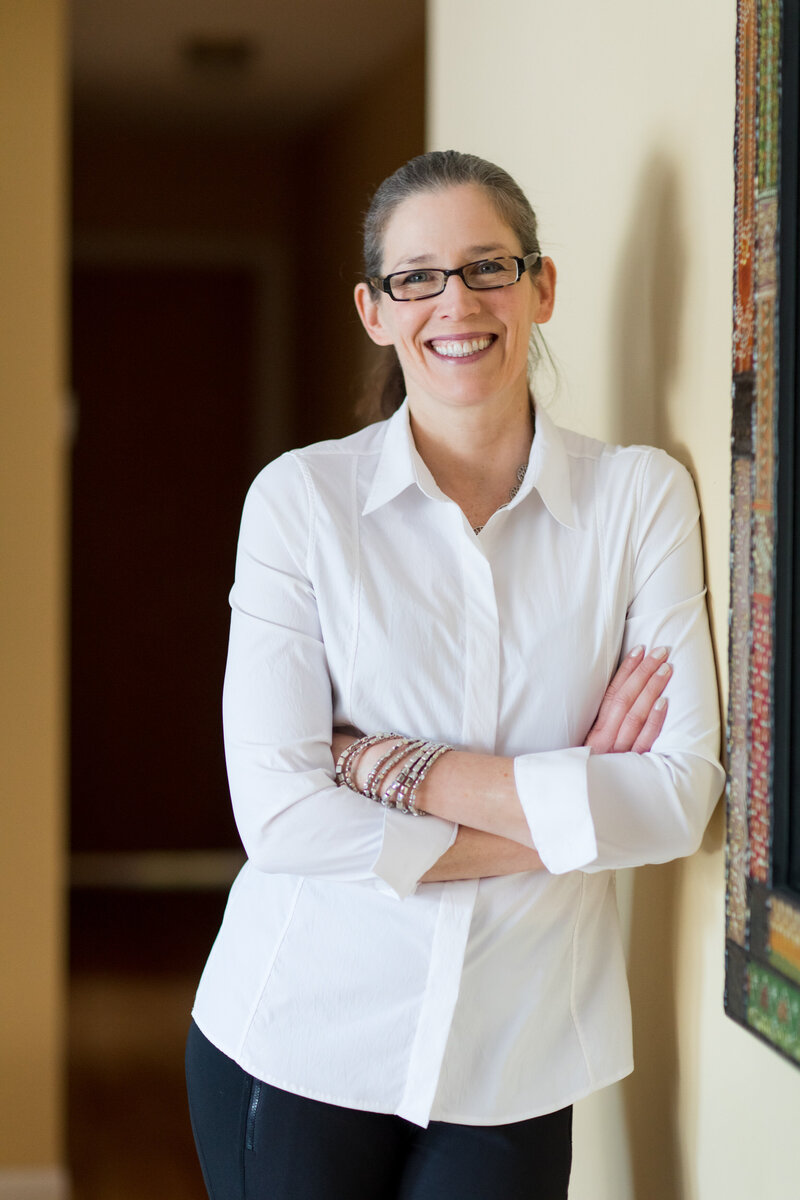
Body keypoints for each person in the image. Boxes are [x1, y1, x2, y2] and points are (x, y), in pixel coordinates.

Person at [185, 150, 724, 1200]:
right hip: (297, 1037)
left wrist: (398, 770)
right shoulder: (300, 504)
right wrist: (567, 801)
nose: (455, 303)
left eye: (487, 267)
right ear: (374, 311)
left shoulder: (637, 501)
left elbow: (674, 801)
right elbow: (281, 820)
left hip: (517, 1056)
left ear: (541, 286)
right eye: (415, 277)